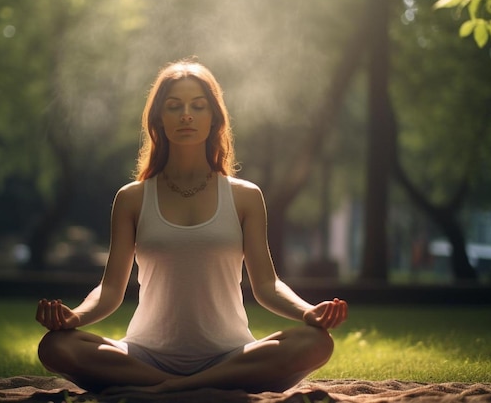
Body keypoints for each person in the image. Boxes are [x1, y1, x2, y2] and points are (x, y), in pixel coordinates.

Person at [35, 59, 348, 394]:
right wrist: (74, 318)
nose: (186, 114)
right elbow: (110, 290)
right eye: (174, 106)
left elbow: (267, 285)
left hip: (230, 355)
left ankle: (166, 390)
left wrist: (309, 312)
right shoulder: (132, 198)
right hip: (143, 356)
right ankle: (190, 387)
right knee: (55, 347)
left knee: (315, 341)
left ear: (214, 118)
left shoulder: (245, 196)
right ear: (159, 119)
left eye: (198, 106)